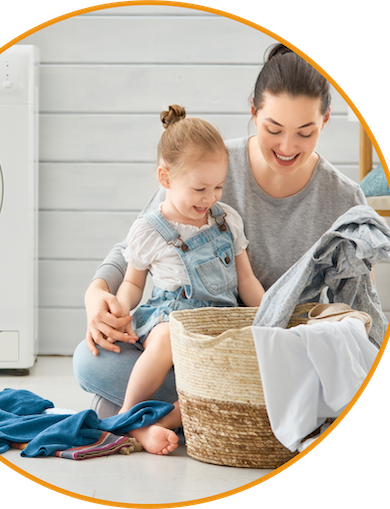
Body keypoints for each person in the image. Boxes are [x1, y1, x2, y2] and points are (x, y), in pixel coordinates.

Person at [72, 43, 368, 438]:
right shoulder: (210, 163)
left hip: (276, 353)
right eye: (273, 129)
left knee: (313, 378)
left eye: (305, 132)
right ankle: (186, 411)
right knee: (91, 361)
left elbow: (357, 306)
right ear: (253, 112)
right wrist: (96, 296)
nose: (286, 146)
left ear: (326, 120)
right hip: (190, 343)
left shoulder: (344, 199)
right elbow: (136, 246)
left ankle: (155, 415)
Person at [108, 105, 264, 454]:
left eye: (219, 187)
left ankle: (153, 425)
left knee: (238, 368)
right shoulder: (150, 229)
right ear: (165, 178)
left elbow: (246, 279)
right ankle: (126, 414)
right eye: (199, 189)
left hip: (217, 320)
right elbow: (133, 283)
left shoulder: (226, 220)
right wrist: (118, 307)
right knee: (166, 338)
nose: (209, 198)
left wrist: (268, 316)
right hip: (171, 316)